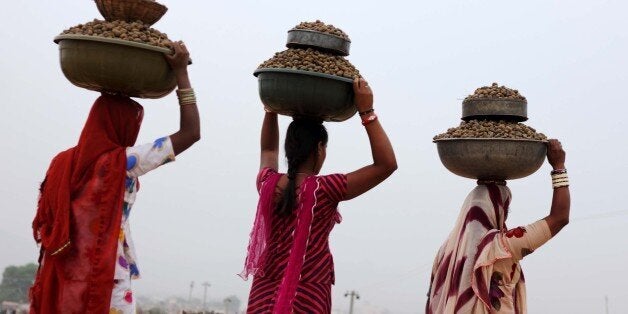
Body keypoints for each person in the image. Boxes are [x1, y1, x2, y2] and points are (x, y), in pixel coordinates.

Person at [29, 41, 200, 314]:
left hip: (64, 277)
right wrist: (181, 73)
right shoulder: (123, 163)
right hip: (106, 276)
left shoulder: (61, 163)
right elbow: (191, 133)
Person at [240, 78, 397, 313]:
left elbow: (268, 150)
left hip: (264, 295)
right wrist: (367, 111)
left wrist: (271, 108)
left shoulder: (267, 184)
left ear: (289, 149)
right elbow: (386, 165)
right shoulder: (325, 189)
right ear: (319, 149)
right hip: (308, 297)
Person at [425, 139, 571, 313]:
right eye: (506, 208)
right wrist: (558, 166)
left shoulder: (444, 254)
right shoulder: (502, 247)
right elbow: (560, 217)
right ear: (498, 209)